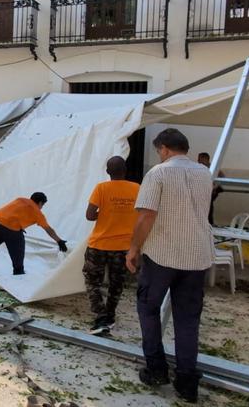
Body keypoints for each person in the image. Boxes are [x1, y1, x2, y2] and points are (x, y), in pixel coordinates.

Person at [127, 128, 214, 403]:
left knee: (148, 307)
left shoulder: (158, 173)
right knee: (188, 320)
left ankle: (156, 369)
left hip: (163, 254)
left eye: (158, 152)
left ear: (163, 149)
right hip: (197, 255)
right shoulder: (204, 173)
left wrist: (133, 248)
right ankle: (187, 382)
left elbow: (146, 216)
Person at [83, 156, 140, 336]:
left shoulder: (101, 188)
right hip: (123, 246)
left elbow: (90, 215)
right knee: (117, 283)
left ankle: (101, 317)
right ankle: (110, 316)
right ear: (126, 170)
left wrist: (106, 212)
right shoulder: (137, 189)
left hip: (99, 244)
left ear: (108, 171)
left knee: (93, 281)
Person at [0, 192, 68, 276]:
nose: (41, 207)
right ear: (40, 203)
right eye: (42, 205)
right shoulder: (38, 213)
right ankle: (18, 273)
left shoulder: (20, 199)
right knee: (18, 252)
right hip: (12, 230)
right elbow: (48, 229)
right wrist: (59, 241)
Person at [197, 152, 224, 225]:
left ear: (206, 159)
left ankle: (209, 223)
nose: (199, 161)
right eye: (198, 159)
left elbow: (221, 178)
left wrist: (214, 187)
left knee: (208, 207)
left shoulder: (213, 167)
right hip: (204, 191)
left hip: (211, 191)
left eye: (201, 159)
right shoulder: (199, 167)